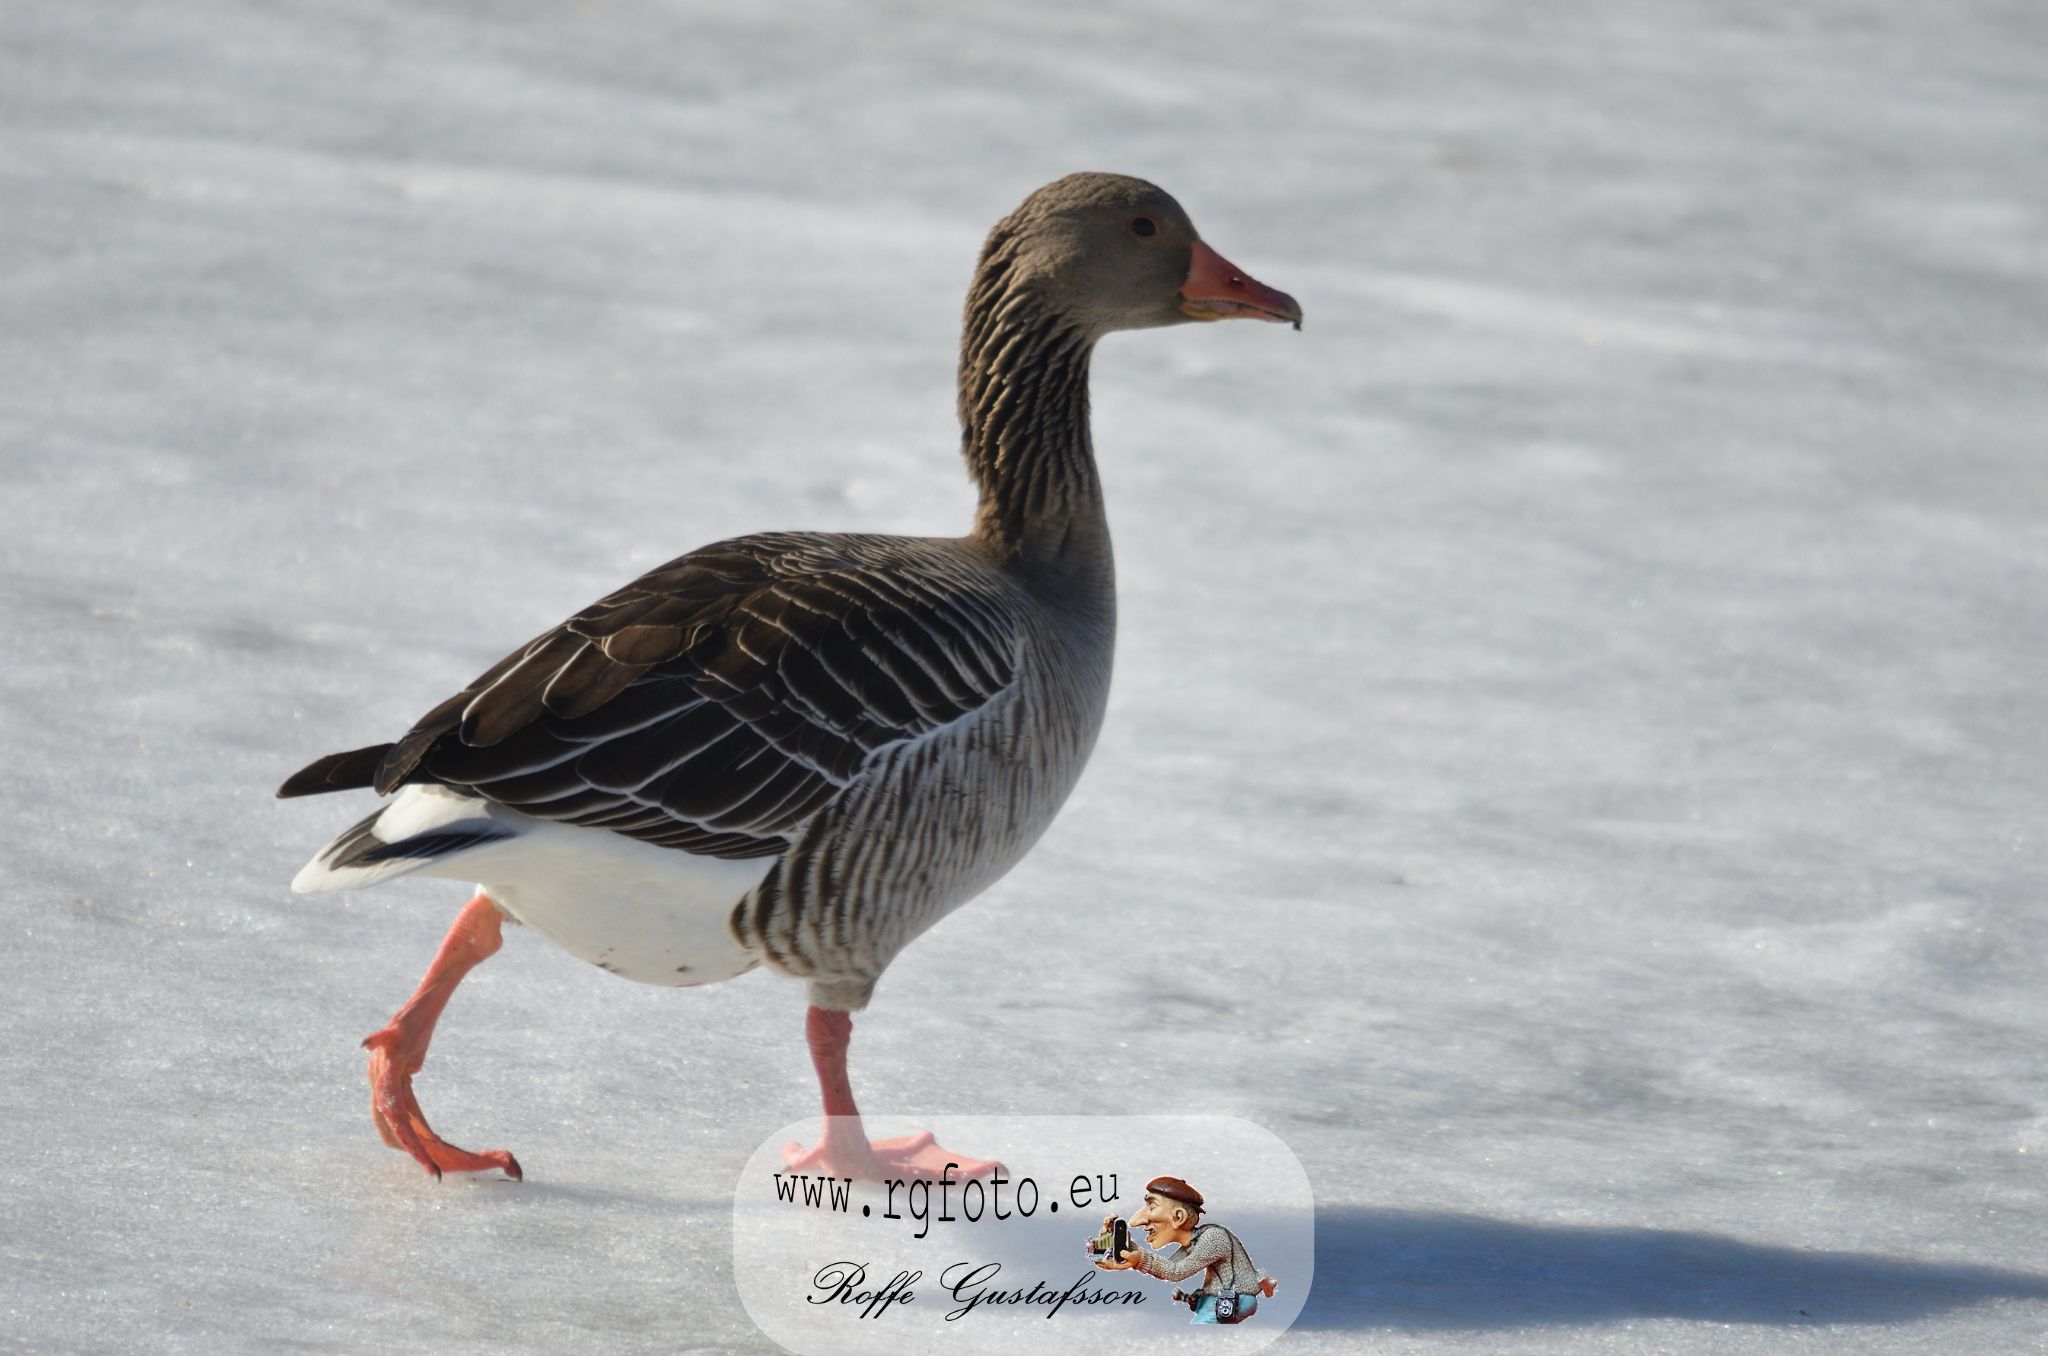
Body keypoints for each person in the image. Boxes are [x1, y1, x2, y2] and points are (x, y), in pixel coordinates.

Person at [1092, 1176, 1277, 1324]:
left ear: (1178, 1216)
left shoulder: (1213, 1238)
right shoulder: (1197, 1240)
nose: (1136, 1221)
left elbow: (1175, 1272)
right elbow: (1169, 1265)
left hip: (1236, 1300)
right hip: (1220, 1299)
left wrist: (1139, 1259)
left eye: (1151, 1206)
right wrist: (1127, 1246)